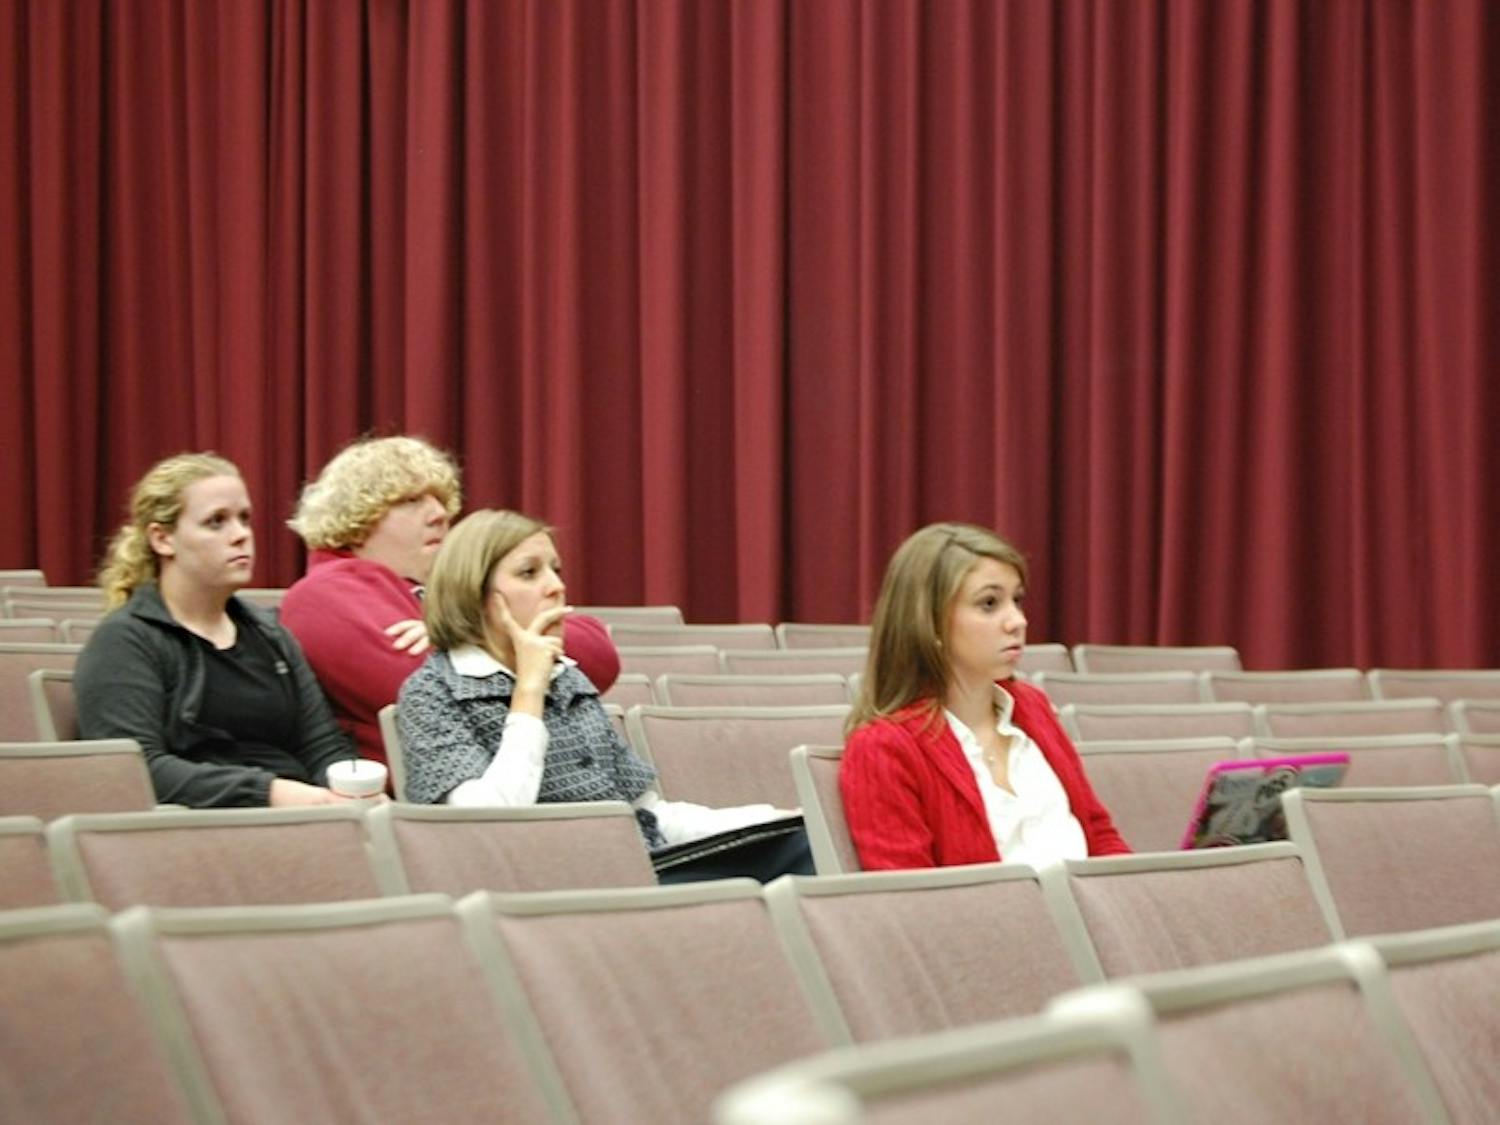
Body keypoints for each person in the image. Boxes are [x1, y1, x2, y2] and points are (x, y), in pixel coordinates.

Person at [397, 509, 811, 879]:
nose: (556, 586)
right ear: (475, 593)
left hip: (638, 868)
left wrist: (767, 820)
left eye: (556, 570)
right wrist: (529, 691)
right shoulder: (433, 692)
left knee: (804, 842)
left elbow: (647, 816)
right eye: (529, 573)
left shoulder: (569, 680)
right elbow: (493, 826)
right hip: (553, 888)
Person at [281, 435, 620, 766]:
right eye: (411, 500)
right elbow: (430, 689)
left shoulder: (436, 593)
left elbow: (598, 655)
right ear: (354, 519)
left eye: (441, 500)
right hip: (440, 806)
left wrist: (465, 633)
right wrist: (499, 636)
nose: (439, 514)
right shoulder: (320, 596)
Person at [74, 453, 359, 807]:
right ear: (163, 539)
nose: (241, 535)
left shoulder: (270, 634)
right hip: (200, 834)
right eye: (216, 522)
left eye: (244, 519)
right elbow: (133, 769)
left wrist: (353, 790)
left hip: (298, 819)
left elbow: (321, 745)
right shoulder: (125, 641)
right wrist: (270, 793)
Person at [840, 522, 1131, 869]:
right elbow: (910, 903)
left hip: (1088, 916)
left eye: (1017, 600)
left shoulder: (1032, 707)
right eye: (989, 603)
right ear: (929, 622)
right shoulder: (883, 749)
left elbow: (1098, 835)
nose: (1017, 621)